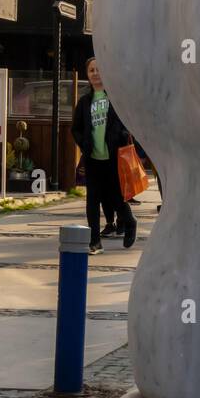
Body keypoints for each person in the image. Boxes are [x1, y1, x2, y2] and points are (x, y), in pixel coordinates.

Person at [71, 56, 137, 254]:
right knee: (92, 200)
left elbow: (128, 123)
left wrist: (122, 136)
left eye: (99, 69)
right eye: (91, 70)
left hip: (113, 158)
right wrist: (84, 144)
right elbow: (76, 129)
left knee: (116, 198)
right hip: (93, 159)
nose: (95, 73)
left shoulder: (115, 99)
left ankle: (129, 221)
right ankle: (94, 241)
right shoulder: (84, 102)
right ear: (88, 75)